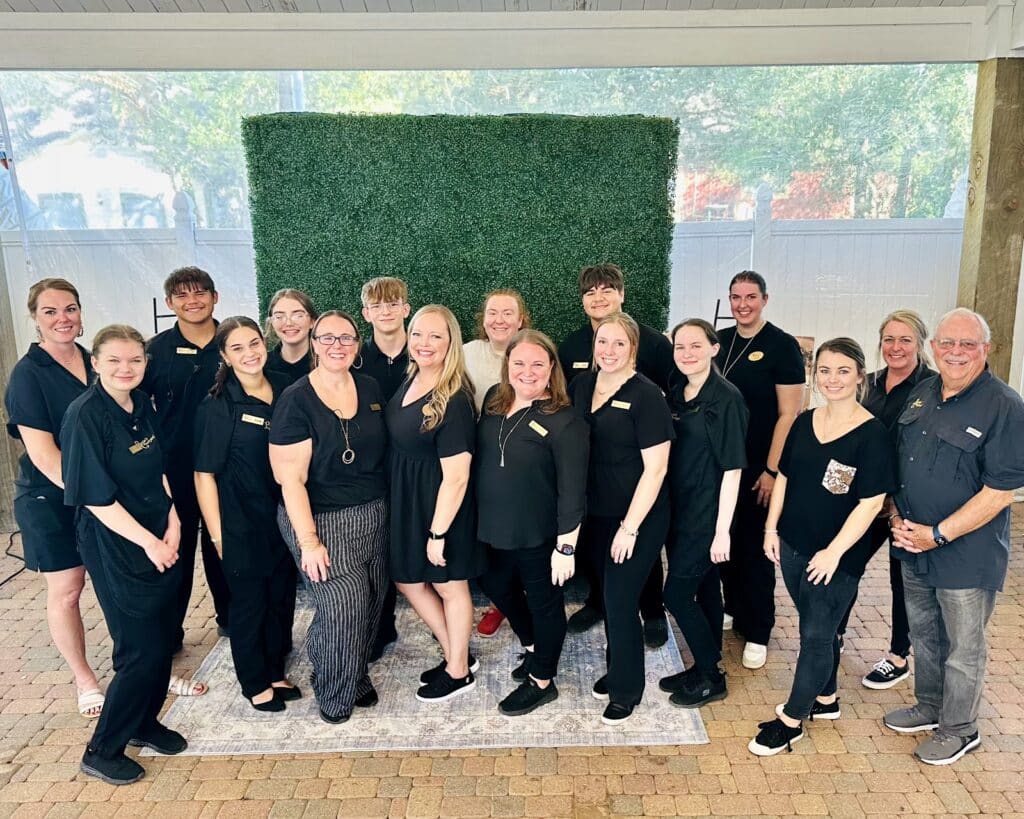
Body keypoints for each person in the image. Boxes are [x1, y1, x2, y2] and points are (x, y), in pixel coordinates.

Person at [884, 308, 1024, 766]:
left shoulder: (1004, 405)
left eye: (968, 345)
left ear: (986, 349)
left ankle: (961, 728)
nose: (956, 353)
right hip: (913, 543)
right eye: (948, 343)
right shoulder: (924, 392)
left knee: (964, 647)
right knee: (924, 634)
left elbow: (1001, 491)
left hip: (965, 552)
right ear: (934, 348)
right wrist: (896, 516)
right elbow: (902, 463)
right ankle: (929, 705)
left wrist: (938, 534)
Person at [751, 338, 894, 757]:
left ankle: (792, 720)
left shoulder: (872, 435)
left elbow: (870, 503)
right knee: (819, 625)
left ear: (859, 377)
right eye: (825, 371)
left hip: (836, 558)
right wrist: (770, 529)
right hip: (793, 545)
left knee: (814, 635)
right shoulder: (804, 421)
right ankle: (827, 697)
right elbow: (786, 479)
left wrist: (834, 552)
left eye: (843, 371)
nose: (833, 379)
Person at [61, 325, 189, 785]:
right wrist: (150, 541)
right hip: (118, 544)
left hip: (159, 535)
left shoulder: (140, 406)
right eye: (114, 360)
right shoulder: (84, 416)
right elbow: (96, 499)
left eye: (134, 360)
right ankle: (102, 748)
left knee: (160, 640)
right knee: (141, 649)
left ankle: (143, 723)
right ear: (95, 363)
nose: (125, 368)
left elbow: (158, 471)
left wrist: (173, 519)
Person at [269, 311, 390, 724]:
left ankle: (353, 675)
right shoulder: (295, 400)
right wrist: (309, 542)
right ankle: (335, 692)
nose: (337, 345)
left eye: (346, 338)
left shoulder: (370, 387)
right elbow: (290, 480)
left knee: (373, 599)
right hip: (322, 520)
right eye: (327, 338)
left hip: (374, 512)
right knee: (344, 608)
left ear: (357, 346)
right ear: (314, 343)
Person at [4, 278, 104, 719]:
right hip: (52, 497)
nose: (63, 318)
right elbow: (45, 456)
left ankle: (139, 666)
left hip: (103, 493)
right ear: (35, 318)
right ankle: (85, 680)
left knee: (116, 583)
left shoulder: (96, 361)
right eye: (50, 311)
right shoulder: (28, 375)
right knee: (68, 588)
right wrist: (100, 497)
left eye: (70, 309)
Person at [475, 330, 589, 716]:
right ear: (507, 366)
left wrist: (566, 546)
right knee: (493, 583)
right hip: (492, 528)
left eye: (538, 363)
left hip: (540, 535)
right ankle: (533, 645)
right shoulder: (494, 399)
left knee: (545, 604)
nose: (527, 371)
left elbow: (573, 491)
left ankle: (542, 680)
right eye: (519, 362)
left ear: (551, 368)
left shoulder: (564, 420)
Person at [559, 264, 673, 647]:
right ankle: (598, 603)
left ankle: (653, 611)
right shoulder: (572, 347)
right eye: (591, 291)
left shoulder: (656, 344)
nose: (599, 297)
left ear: (622, 295)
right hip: (592, 483)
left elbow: (664, 405)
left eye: (607, 289)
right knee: (596, 549)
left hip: (637, 474)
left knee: (639, 552)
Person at [568, 312, 673, 725]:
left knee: (620, 599)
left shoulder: (647, 396)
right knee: (608, 598)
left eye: (619, 344)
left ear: (633, 348)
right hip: (595, 514)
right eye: (602, 342)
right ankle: (617, 671)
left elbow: (657, 468)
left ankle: (626, 689)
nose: (608, 351)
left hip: (638, 517)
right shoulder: (581, 386)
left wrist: (630, 527)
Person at [194, 317, 299, 713]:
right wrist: (218, 536)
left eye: (254, 343)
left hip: (284, 516)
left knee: (281, 598)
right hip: (239, 521)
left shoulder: (286, 388)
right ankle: (254, 681)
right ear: (224, 355)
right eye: (237, 348)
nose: (249, 353)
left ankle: (275, 670)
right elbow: (203, 476)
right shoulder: (217, 405)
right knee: (249, 603)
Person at [386, 305, 484, 703]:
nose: (424, 344)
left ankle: (459, 671)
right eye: (418, 334)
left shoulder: (454, 398)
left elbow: (458, 475)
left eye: (435, 337)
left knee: (448, 585)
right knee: (408, 580)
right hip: (408, 500)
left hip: (441, 505)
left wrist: (438, 532)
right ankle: (455, 653)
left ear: (450, 344)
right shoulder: (410, 378)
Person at [836, 310, 935, 689]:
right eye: (889, 339)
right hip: (865, 500)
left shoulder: (931, 387)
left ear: (920, 344)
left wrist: (896, 503)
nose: (895, 347)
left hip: (905, 504)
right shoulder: (870, 383)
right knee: (845, 564)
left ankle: (898, 655)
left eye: (905, 340)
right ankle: (835, 633)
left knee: (902, 579)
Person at [714, 270, 804, 670]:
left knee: (755, 548)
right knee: (725, 539)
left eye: (751, 297)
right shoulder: (722, 343)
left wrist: (771, 470)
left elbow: (789, 414)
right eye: (736, 297)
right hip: (724, 465)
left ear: (765, 299)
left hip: (759, 466)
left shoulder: (782, 347)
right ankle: (731, 606)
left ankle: (759, 629)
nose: (742, 304)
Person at [142, 266, 230, 676]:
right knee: (176, 549)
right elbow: (136, 408)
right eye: (182, 295)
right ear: (170, 303)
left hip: (225, 467)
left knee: (222, 543)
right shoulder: (155, 351)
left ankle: (231, 618)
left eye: (200, 293)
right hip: (174, 468)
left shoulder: (233, 342)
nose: (192, 300)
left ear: (215, 297)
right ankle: (169, 630)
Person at [660, 319, 748, 709]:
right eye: (680, 347)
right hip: (678, 510)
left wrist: (722, 531)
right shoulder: (677, 391)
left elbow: (732, 469)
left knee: (676, 595)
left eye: (696, 345)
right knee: (706, 591)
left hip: (707, 514)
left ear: (714, 348)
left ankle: (712, 675)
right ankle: (702, 666)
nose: (687, 353)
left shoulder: (726, 399)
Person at [463, 289, 530, 639]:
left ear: (521, 320)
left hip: (521, 462)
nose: (499, 320)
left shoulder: (534, 353)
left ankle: (506, 603)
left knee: (516, 536)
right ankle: (499, 596)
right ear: (483, 318)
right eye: (492, 312)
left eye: (508, 313)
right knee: (485, 534)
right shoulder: (467, 353)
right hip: (475, 459)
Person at [356, 276, 412, 659]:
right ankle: (380, 626)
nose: (386, 311)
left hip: (420, 469)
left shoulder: (428, 350)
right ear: (366, 314)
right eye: (377, 305)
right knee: (376, 550)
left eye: (393, 303)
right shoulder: (355, 359)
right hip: (371, 470)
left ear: (406, 308)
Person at [265, 288, 318, 386]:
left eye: (298, 315)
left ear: (312, 321)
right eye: (279, 317)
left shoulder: (326, 362)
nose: (289, 323)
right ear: (271, 322)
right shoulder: (262, 365)